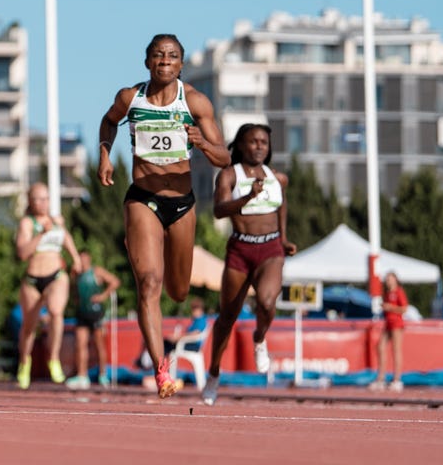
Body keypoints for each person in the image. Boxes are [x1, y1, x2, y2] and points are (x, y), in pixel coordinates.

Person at [97, 34, 229, 398]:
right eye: (158, 55)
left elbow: (224, 158)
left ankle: (171, 300)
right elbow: (108, 122)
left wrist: (201, 142)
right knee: (149, 283)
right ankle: (161, 369)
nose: (165, 61)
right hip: (142, 199)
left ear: (181, 65)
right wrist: (105, 154)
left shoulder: (196, 101)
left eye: (172, 56)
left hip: (182, 203)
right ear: (147, 62)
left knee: (178, 289)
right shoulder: (131, 98)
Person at [202, 123, 296, 405]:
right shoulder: (229, 175)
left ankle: (259, 337)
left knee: (267, 303)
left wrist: (284, 238)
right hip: (240, 249)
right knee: (227, 318)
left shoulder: (278, 178)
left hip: (270, 249)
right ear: (241, 145)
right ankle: (214, 373)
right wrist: (247, 197)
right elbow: (219, 211)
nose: (258, 147)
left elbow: (281, 206)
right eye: (253, 142)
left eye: (263, 143)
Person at [14, 182, 81, 389]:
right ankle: (25, 362)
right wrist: (42, 234)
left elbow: (66, 238)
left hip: (56, 275)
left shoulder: (57, 220)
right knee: (29, 328)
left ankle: (53, 358)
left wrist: (76, 259)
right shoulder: (27, 223)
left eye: (46, 198)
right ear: (31, 202)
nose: (43, 203)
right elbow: (22, 253)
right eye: (38, 199)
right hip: (33, 280)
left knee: (56, 311)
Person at [67, 250, 120, 389]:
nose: (82, 261)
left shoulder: (96, 271)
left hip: (96, 313)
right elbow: (72, 290)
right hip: (81, 313)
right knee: (80, 344)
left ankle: (103, 375)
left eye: (84, 258)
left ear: (88, 259)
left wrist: (103, 296)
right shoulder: (76, 274)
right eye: (80, 258)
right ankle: (82, 376)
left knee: (99, 345)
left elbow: (115, 281)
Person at [370, 271, 408, 392]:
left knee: (396, 350)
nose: (388, 281)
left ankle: (397, 379)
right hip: (388, 323)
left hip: (397, 324)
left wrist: (390, 307)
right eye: (387, 279)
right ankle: (381, 377)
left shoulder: (399, 292)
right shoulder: (387, 294)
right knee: (380, 347)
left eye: (390, 279)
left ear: (395, 280)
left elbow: (404, 308)